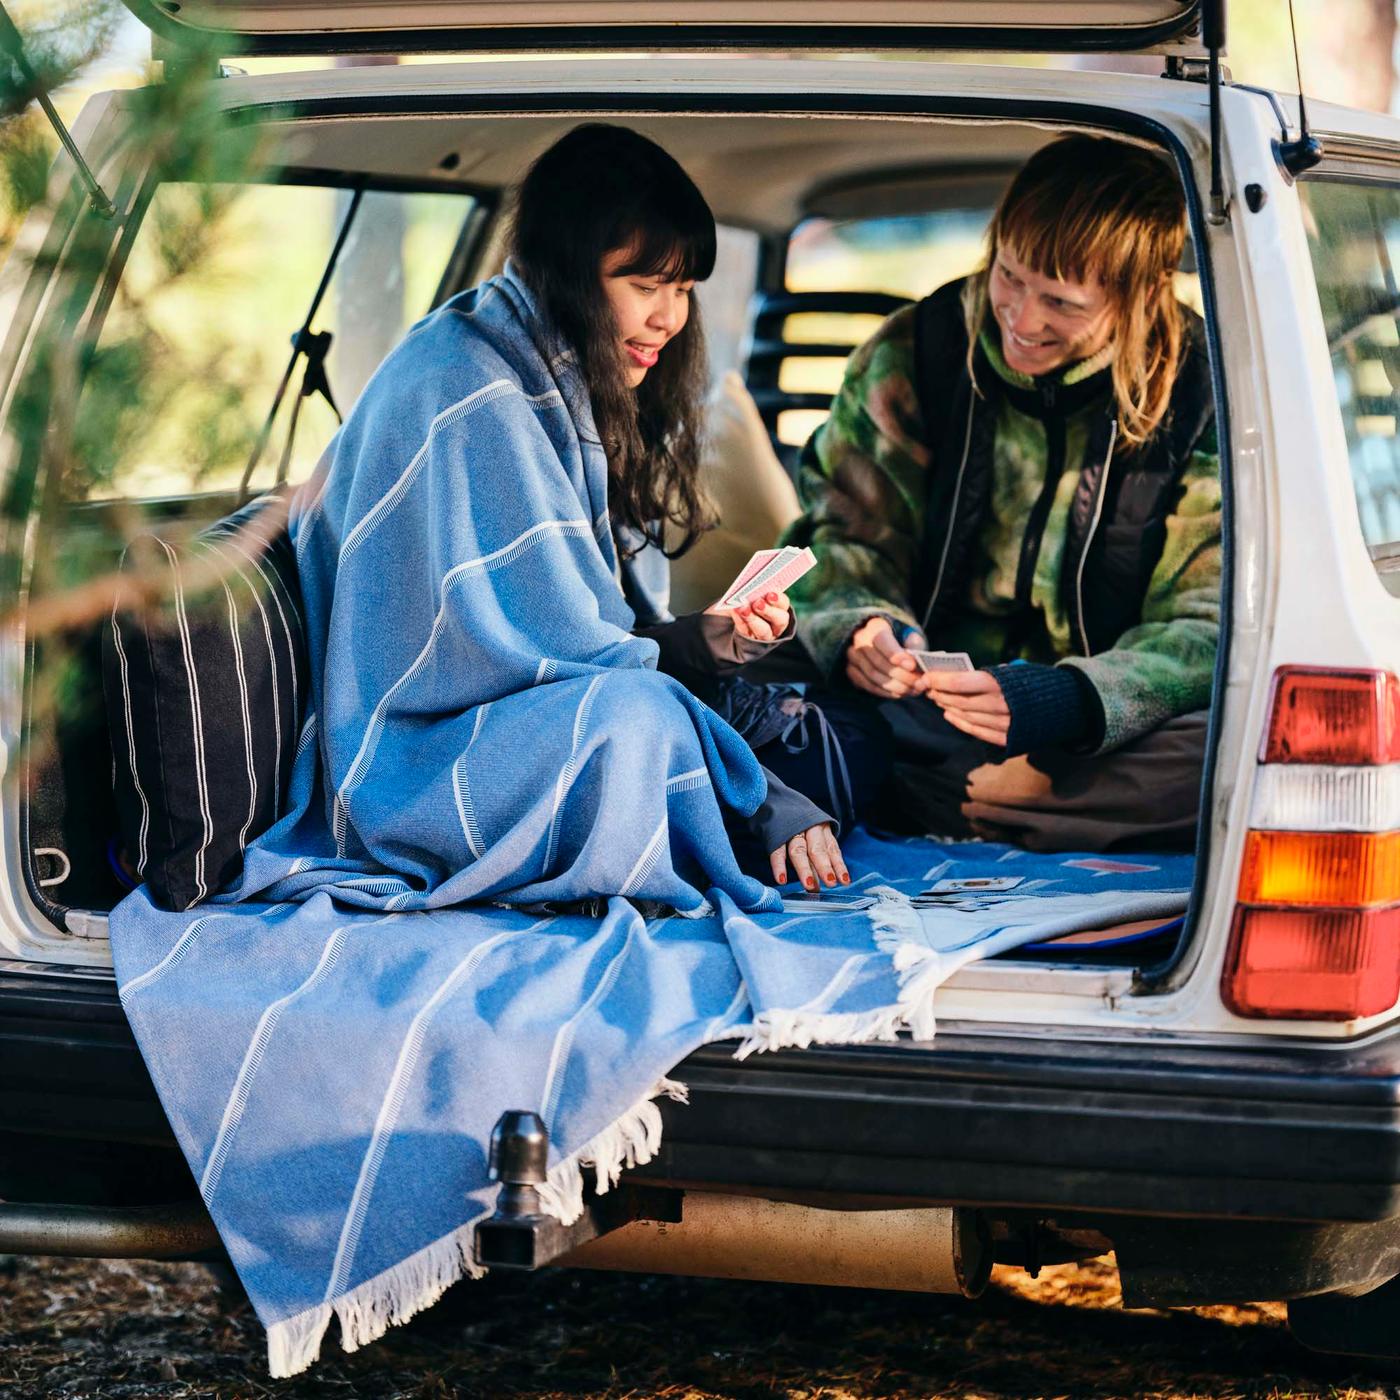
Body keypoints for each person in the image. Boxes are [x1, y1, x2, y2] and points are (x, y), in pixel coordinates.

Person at [284, 123, 846, 908]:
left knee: (831, 745)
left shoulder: (556, 375)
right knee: (647, 726)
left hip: (531, 717)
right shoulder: (469, 392)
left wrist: (713, 638)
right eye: (645, 286)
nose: (669, 319)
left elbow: (577, 639)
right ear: (571, 272)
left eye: (683, 291)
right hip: (418, 763)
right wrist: (763, 796)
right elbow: (537, 670)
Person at [782, 134, 1220, 851]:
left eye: (1061, 301)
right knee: (736, 672)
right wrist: (863, 627)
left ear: (1140, 294)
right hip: (914, 714)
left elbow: (1207, 625)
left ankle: (944, 798)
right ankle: (973, 800)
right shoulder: (911, 352)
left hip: (1092, 744)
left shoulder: (1205, 395)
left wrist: (1070, 702)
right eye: (1009, 277)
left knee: (1235, 753)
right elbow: (842, 537)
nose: (1021, 319)